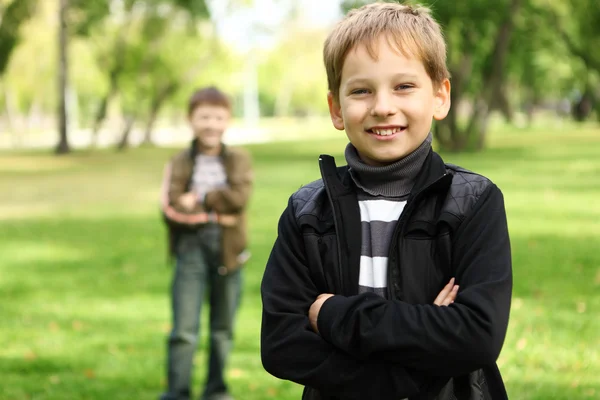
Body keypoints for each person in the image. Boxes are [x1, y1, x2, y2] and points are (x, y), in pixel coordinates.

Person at [260, 3, 512, 400]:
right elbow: (281, 346)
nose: (382, 106)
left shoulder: (472, 203)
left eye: (404, 86)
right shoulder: (308, 212)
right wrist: (409, 368)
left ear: (440, 96)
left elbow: (476, 337)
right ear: (336, 108)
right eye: (361, 90)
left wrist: (331, 314)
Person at [159, 86, 253, 400]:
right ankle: (177, 392)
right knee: (184, 329)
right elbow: (170, 209)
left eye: (218, 117)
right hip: (190, 250)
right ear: (191, 120)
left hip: (228, 250)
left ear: (227, 120)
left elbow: (239, 199)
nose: (210, 124)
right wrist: (214, 214)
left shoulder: (239, 159)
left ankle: (216, 391)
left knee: (222, 328)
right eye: (203, 117)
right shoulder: (179, 161)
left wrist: (198, 198)